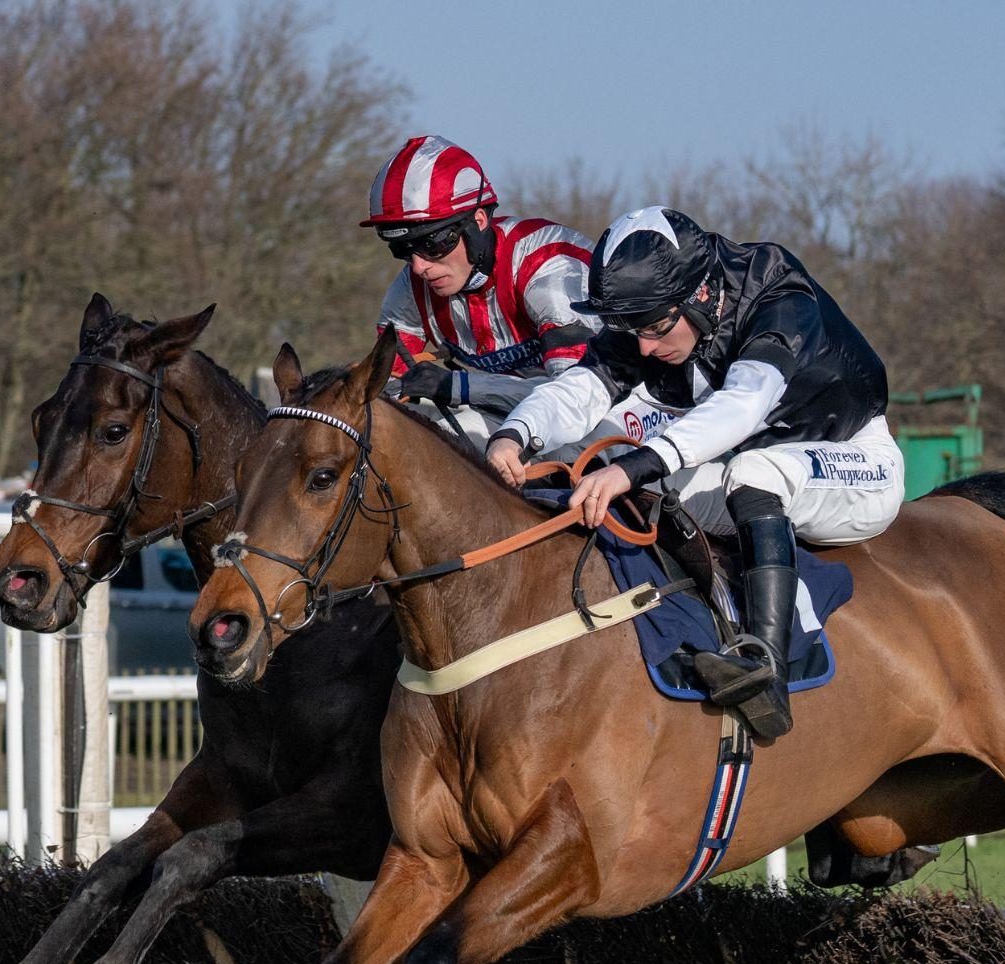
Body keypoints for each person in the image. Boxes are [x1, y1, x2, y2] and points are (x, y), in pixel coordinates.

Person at [486, 206, 903, 738]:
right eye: (632, 329)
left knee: (752, 472)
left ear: (702, 294)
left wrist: (637, 466)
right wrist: (514, 435)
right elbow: (582, 388)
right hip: (748, 462)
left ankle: (767, 673)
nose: (644, 347)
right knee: (599, 457)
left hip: (858, 461)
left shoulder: (777, 294)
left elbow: (743, 405)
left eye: (657, 328)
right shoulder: (651, 311)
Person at [362, 135, 609, 455]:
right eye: (402, 249)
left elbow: (576, 401)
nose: (420, 266)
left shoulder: (549, 269)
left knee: (562, 453)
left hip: (609, 410)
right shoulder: (411, 290)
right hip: (514, 415)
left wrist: (459, 387)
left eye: (432, 243)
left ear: (478, 222)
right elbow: (386, 394)